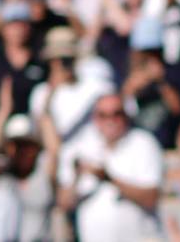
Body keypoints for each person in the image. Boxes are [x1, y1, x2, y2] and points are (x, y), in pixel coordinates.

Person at [57, 93, 163, 242]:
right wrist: (76, 176)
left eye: (116, 114)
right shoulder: (79, 146)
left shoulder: (143, 143)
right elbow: (64, 203)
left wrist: (109, 179)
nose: (110, 120)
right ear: (94, 118)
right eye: (103, 115)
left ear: (126, 116)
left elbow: (151, 198)